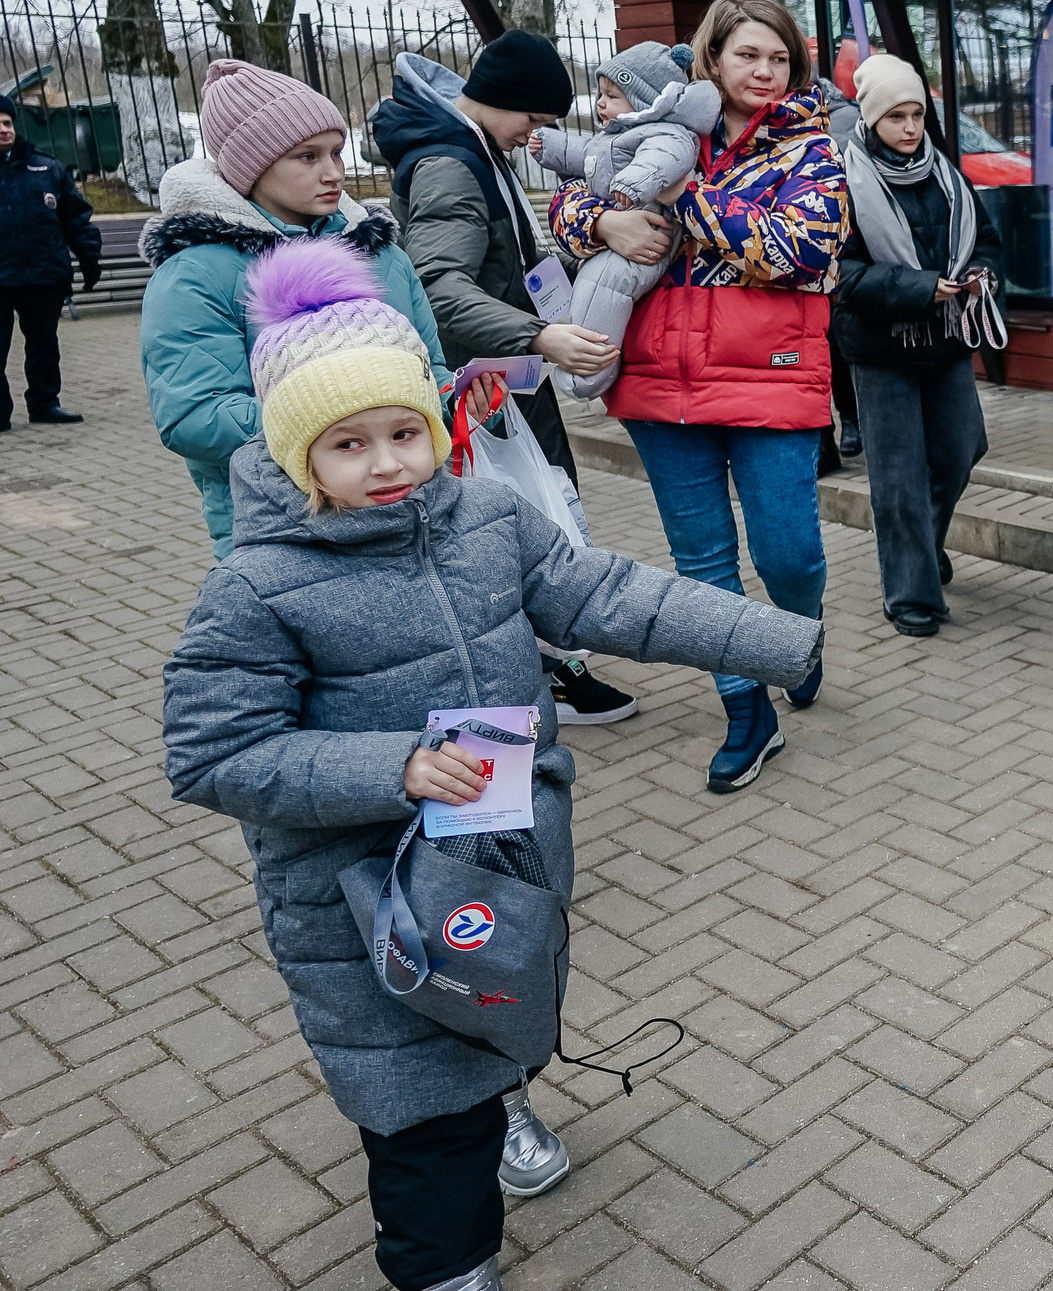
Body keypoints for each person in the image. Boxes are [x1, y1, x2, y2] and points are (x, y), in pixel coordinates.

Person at [161, 235, 822, 1291]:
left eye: (402, 432)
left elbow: (609, 597)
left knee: (493, 1015)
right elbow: (214, 754)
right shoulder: (255, 586)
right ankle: (448, 1268)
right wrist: (398, 768)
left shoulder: (484, 517)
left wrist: (773, 638)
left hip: (503, 844)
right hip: (363, 892)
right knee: (420, 1114)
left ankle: (501, 1096)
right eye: (347, 445)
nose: (385, 464)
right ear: (296, 457)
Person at [551, 0, 845, 787]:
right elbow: (574, 199)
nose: (764, 72)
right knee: (702, 562)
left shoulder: (810, 151)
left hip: (769, 379)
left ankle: (797, 632)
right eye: (748, 55)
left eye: (779, 59)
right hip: (660, 382)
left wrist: (683, 196)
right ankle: (746, 709)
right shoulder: (652, 130)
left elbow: (798, 248)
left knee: (789, 552)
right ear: (711, 60)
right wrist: (604, 225)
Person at [378, 30, 636, 727]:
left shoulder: (478, 151)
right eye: (537, 119)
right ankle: (537, 675)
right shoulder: (451, 165)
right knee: (519, 528)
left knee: (544, 515)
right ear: (508, 101)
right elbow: (438, 285)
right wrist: (538, 332)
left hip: (509, 375)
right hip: (487, 384)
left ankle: (552, 664)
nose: (538, 136)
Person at [140, 61, 447, 555]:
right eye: (307, 156)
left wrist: (464, 403)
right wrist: (341, 416)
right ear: (252, 166)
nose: (333, 173)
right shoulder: (195, 274)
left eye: (335, 153)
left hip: (410, 510)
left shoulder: (382, 255)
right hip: (283, 526)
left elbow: (431, 370)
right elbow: (195, 416)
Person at [829, 50, 1001, 637]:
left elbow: (988, 239)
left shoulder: (947, 174)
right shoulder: (842, 179)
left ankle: (920, 549)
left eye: (917, 115)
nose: (909, 128)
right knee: (897, 477)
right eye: (896, 117)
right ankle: (911, 596)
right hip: (880, 350)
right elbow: (840, 275)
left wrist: (980, 273)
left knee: (961, 450)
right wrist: (921, 288)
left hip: (946, 340)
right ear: (871, 120)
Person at [526, 43, 720, 399]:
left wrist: (633, 183)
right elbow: (580, 152)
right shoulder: (614, 137)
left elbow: (662, 160)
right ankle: (590, 363)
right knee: (593, 289)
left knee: (605, 286)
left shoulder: (666, 132)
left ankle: (592, 369)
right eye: (601, 94)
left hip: (648, 238)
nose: (601, 103)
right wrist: (549, 144)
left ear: (645, 101)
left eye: (612, 96)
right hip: (621, 232)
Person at [0, 92, 101, 428]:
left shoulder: (46, 167)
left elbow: (75, 218)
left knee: (44, 346)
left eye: (7, 122)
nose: (4, 129)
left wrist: (89, 260)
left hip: (42, 275)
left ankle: (45, 404)